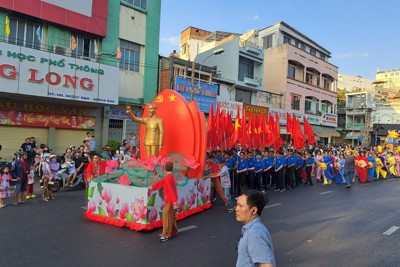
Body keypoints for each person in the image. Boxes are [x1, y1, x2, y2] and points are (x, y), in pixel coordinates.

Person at [235, 190, 275, 267]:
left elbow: (266, 265)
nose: (236, 209)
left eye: (240, 206)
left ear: (254, 210)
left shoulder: (254, 233)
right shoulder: (252, 228)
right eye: (237, 205)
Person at [149, 161, 178, 242]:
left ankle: (166, 235)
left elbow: (170, 190)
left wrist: (151, 187)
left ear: (165, 168)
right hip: (172, 199)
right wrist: (152, 187)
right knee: (171, 215)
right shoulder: (170, 176)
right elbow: (162, 182)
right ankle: (173, 231)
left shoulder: (167, 178)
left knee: (166, 216)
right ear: (172, 168)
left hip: (169, 199)